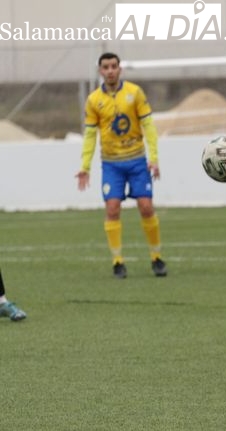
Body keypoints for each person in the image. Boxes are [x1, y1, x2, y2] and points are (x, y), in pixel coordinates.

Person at [75, 52, 167, 279]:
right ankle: (118, 261)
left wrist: (153, 159)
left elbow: (149, 127)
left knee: (146, 207)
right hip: (111, 164)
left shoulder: (134, 93)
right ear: (100, 71)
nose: (110, 71)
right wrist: (85, 166)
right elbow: (89, 135)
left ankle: (156, 257)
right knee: (112, 209)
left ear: (120, 69)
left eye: (114, 66)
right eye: (105, 67)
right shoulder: (94, 100)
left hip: (137, 161)